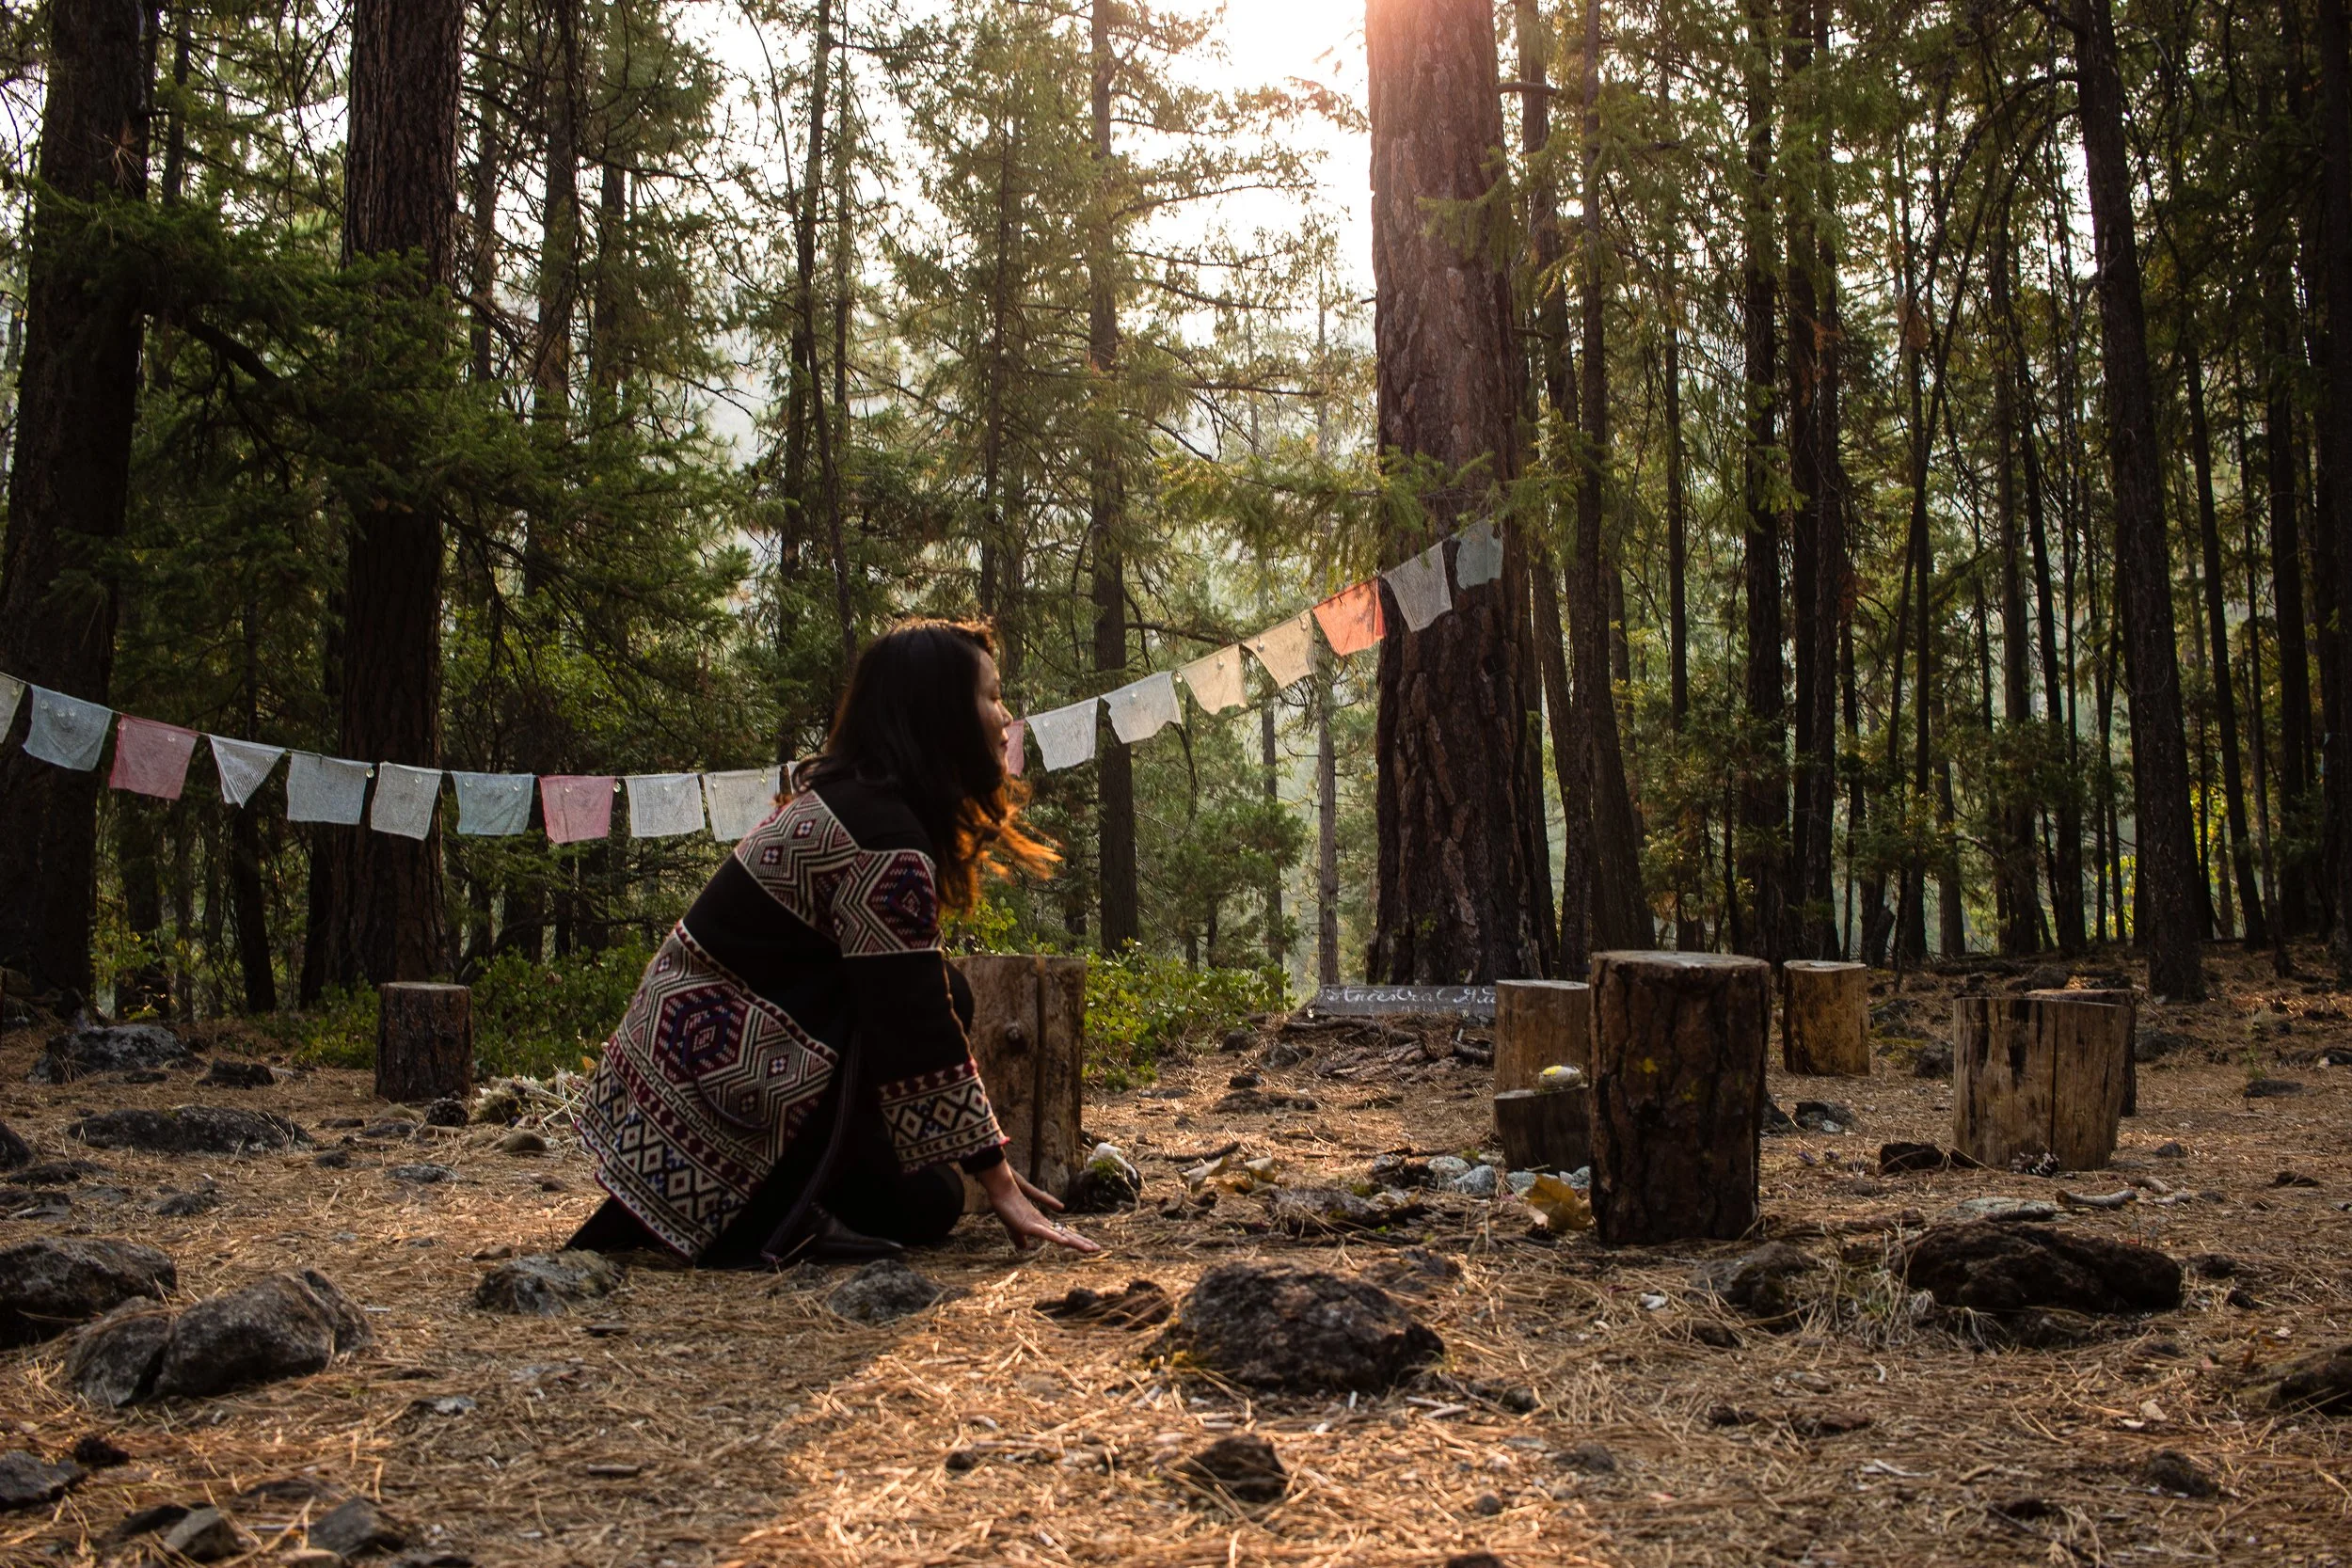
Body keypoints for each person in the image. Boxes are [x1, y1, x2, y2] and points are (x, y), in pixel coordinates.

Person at [566, 620, 1100, 1266]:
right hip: (711, 1091)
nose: (1004, 715)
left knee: (936, 1134)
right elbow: (910, 1018)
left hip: (684, 1081)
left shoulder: (857, 805)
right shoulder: (880, 834)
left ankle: (781, 1194)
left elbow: (920, 993)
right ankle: (767, 1211)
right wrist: (997, 1178)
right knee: (930, 1193)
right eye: (990, 696)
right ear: (941, 712)